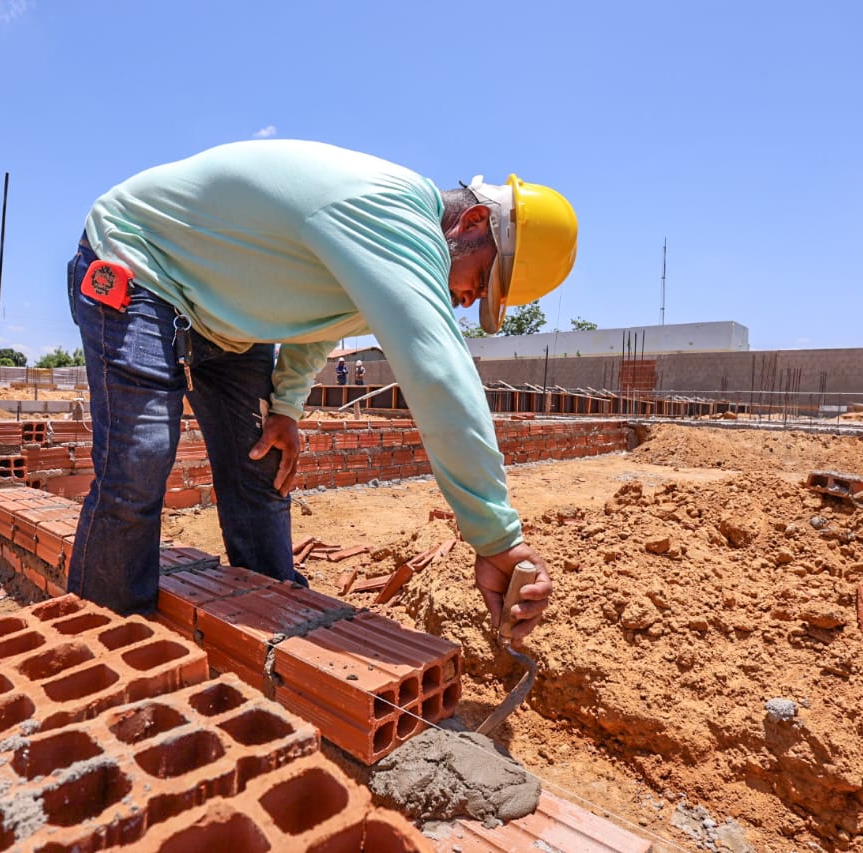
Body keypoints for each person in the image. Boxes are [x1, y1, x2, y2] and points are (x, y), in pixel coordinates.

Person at [67, 139, 576, 642]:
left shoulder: (379, 240)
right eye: (483, 279)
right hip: (140, 265)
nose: (469, 301)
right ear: (473, 222)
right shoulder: (391, 213)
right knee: (138, 467)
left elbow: (325, 315)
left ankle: (276, 625)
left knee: (260, 466)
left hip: (226, 320)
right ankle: (108, 645)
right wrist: (498, 539)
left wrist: (285, 407)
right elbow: (437, 373)